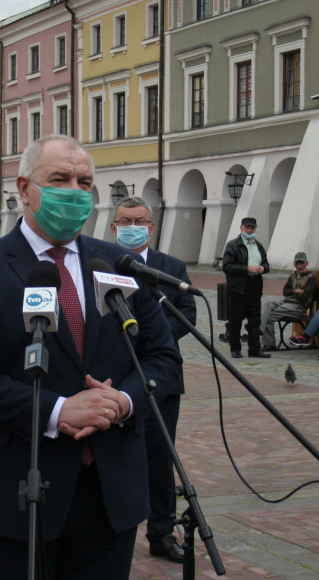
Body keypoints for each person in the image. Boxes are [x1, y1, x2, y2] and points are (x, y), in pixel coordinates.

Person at [0, 135, 182, 579]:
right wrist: (57, 409)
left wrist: (122, 402)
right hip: (12, 492)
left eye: (84, 181)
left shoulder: (118, 265)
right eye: (59, 178)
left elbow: (163, 358)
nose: (74, 190)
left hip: (108, 493)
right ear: (24, 188)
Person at [111, 195, 196, 564]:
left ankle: (161, 531)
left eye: (139, 220)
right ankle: (113, 528)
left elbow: (187, 312)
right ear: (114, 227)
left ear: (151, 226)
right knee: (113, 455)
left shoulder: (170, 266)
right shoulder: (101, 264)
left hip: (161, 377)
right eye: (125, 221)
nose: (132, 227)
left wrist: (153, 340)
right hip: (113, 376)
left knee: (161, 457)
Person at [222, 217, 270, 358]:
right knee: (236, 319)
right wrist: (246, 269)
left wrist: (262, 268)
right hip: (238, 287)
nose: (250, 230)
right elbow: (227, 266)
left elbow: (267, 264)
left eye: (252, 228)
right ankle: (235, 348)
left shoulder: (258, 245)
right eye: (247, 228)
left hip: (255, 285)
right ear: (241, 228)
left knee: (255, 319)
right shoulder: (233, 245)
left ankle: (254, 348)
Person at [260, 251, 316, 352]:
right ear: (294, 264)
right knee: (268, 305)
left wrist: (293, 293)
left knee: (269, 316)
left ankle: (268, 342)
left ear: (306, 263)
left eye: (301, 263)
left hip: (297, 307)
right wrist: (296, 291)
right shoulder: (293, 276)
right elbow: (285, 291)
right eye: (297, 263)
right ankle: (259, 329)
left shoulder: (311, 278)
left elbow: (304, 296)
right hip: (285, 302)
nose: (299, 266)